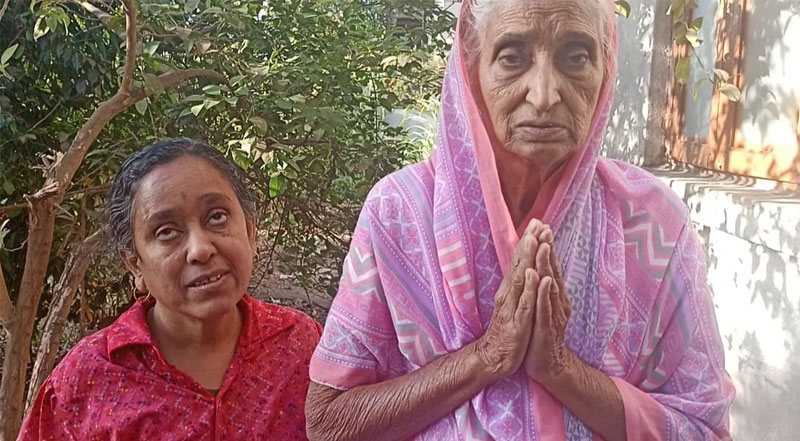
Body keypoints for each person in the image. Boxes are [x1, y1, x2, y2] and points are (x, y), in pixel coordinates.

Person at [304, 0, 735, 440]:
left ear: (605, 70)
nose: (544, 94)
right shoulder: (399, 213)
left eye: (576, 57)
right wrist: (486, 357)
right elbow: (329, 422)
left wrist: (560, 370)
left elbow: (705, 430)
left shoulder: (654, 221)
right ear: (473, 69)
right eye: (512, 57)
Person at [19, 138, 321, 440]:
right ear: (135, 264)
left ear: (250, 232)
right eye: (166, 232)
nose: (200, 249)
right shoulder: (85, 381)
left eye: (217, 216)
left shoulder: (302, 345)